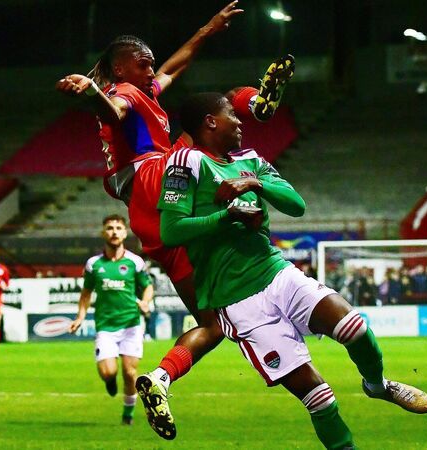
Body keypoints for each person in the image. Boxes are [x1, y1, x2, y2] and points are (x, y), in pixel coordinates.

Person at [137, 93, 427, 445]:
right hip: (236, 300)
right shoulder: (185, 162)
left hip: (276, 273)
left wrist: (255, 183)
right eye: (232, 114)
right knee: (319, 397)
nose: (240, 121)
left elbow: (297, 206)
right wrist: (226, 217)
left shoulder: (250, 160)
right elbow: (170, 231)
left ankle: (377, 385)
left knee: (355, 327)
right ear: (210, 121)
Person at [55, 0, 295, 410]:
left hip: (145, 210)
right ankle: (253, 108)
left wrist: (209, 28)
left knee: (213, 323)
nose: (152, 70)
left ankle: (160, 379)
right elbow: (113, 112)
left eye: (151, 64)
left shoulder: (143, 90)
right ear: (120, 69)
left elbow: (174, 67)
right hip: (154, 174)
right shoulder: (124, 92)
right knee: (218, 106)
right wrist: (92, 91)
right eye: (143, 64)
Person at [68, 214, 154, 426]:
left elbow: (148, 286)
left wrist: (145, 301)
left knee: (130, 372)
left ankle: (128, 415)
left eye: (118, 228)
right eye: (109, 228)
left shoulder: (135, 262)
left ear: (125, 233)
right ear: (103, 233)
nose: (114, 231)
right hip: (105, 327)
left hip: (131, 325)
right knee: (108, 372)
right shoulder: (93, 265)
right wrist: (80, 316)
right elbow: (86, 293)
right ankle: (109, 381)